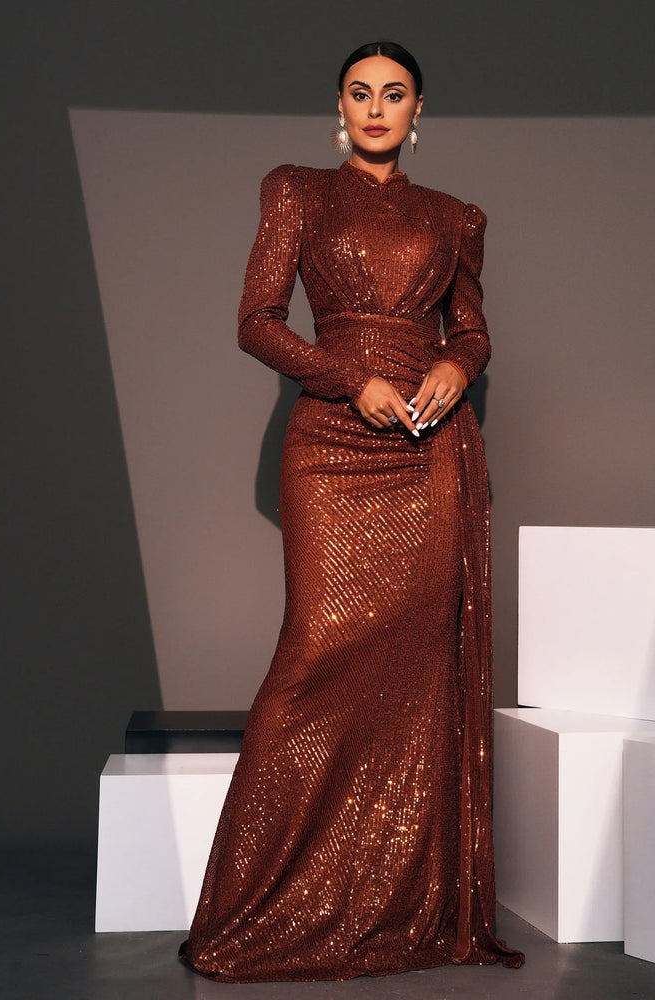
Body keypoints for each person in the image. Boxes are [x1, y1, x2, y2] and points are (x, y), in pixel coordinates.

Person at [179, 40, 525, 982]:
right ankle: (259, 902)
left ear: (420, 111)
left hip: (430, 449)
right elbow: (255, 321)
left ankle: (401, 898)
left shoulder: (456, 217)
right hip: (335, 444)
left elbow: (476, 326)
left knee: (419, 669)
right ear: (341, 107)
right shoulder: (296, 189)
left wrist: (458, 365)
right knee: (312, 657)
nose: (377, 108)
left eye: (396, 94)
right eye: (360, 93)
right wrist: (348, 379)